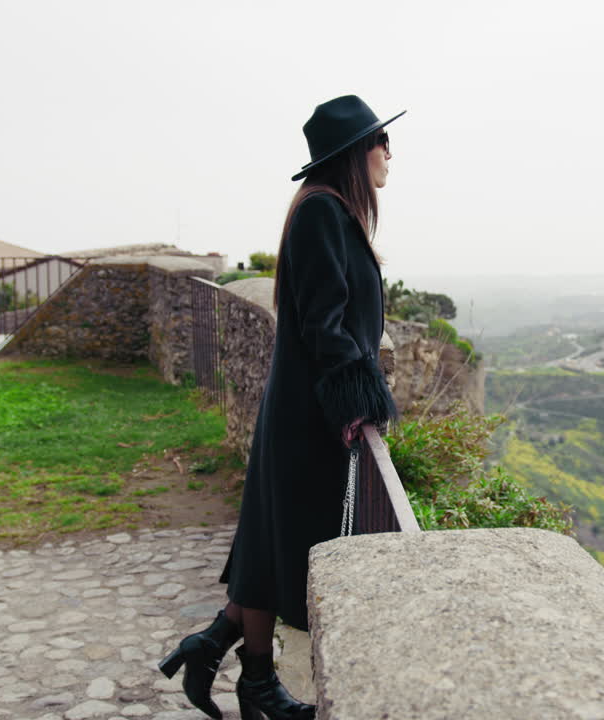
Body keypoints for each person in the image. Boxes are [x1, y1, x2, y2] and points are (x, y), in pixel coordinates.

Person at [158, 95, 403, 720]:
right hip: (309, 416)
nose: (390, 154)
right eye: (381, 142)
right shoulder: (322, 213)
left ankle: (224, 656)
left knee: (271, 542)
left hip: (302, 408)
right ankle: (252, 680)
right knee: (279, 545)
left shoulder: (329, 211)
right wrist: (360, 400)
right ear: (355, 151)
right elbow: (325, 326)